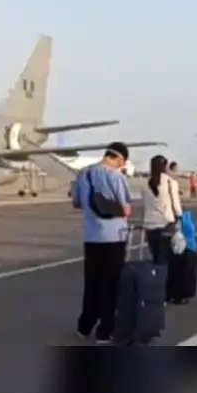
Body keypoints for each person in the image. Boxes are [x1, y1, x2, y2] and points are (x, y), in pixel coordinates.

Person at [71, 142, 133, 344]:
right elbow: (126, 210)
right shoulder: (116, 176)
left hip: (91, 236)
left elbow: (77, 203)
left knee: (92, 282)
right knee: (111, 284)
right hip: (113, 236)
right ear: (119, 158)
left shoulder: (83, 174)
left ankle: (85, 325)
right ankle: (105, 330)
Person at [141, 155, 182, 265]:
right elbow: (176, 206)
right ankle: (165, 281)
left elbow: (145, 203)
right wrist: (179, 217)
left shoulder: (145, 184)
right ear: (165, 167)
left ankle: (157, 279)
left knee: (156, 257)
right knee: (166, 259)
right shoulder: (171, 183)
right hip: (166, 223)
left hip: (150, 225)